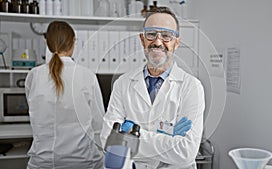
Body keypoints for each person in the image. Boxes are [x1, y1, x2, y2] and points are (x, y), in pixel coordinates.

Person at [100, 8, 205, 168]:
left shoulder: (192, 86)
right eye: (151, 34)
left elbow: (186, 152)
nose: (157, 42)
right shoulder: (123, 83)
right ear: (142, 39)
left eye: (166, 36)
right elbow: (108, 139)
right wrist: (168, 139)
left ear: (176, 43)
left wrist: (132, 138)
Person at [25, 21, 105, 169]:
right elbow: (98, 124)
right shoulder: (87, 76)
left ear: (48, 43)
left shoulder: (34, 75)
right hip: (82, 161)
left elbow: (34, 110)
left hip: (42, 162)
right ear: (73, 42)